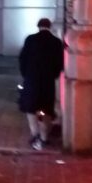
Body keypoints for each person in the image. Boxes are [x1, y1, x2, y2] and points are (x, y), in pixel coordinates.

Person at [18, 18, 64, 150]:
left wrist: (25, 74)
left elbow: (22, 58)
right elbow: (60, 63)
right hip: (47, 82)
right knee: (46, 109)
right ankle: (44, 137)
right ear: (49, 27)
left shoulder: (30, 39)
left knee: (31, 108)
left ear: (38, 26)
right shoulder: (56, 42)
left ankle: (35, 134)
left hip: (32, 80)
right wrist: (53, 75)